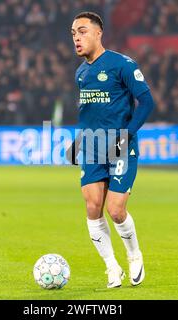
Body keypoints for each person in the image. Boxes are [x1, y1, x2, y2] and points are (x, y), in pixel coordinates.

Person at [67, 12, 155, 288]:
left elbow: (147, 102)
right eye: (73, 34)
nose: (77, 38)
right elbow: (90, 115)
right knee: (93, 207)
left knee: (116, 210)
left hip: (120, 147)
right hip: (92, 147)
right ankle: (111, 267)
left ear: (98, 33)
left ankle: (134, 255)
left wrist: (126, 136)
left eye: (82, 31)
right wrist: (78, 142)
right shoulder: (81, 73)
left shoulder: (122, 65)